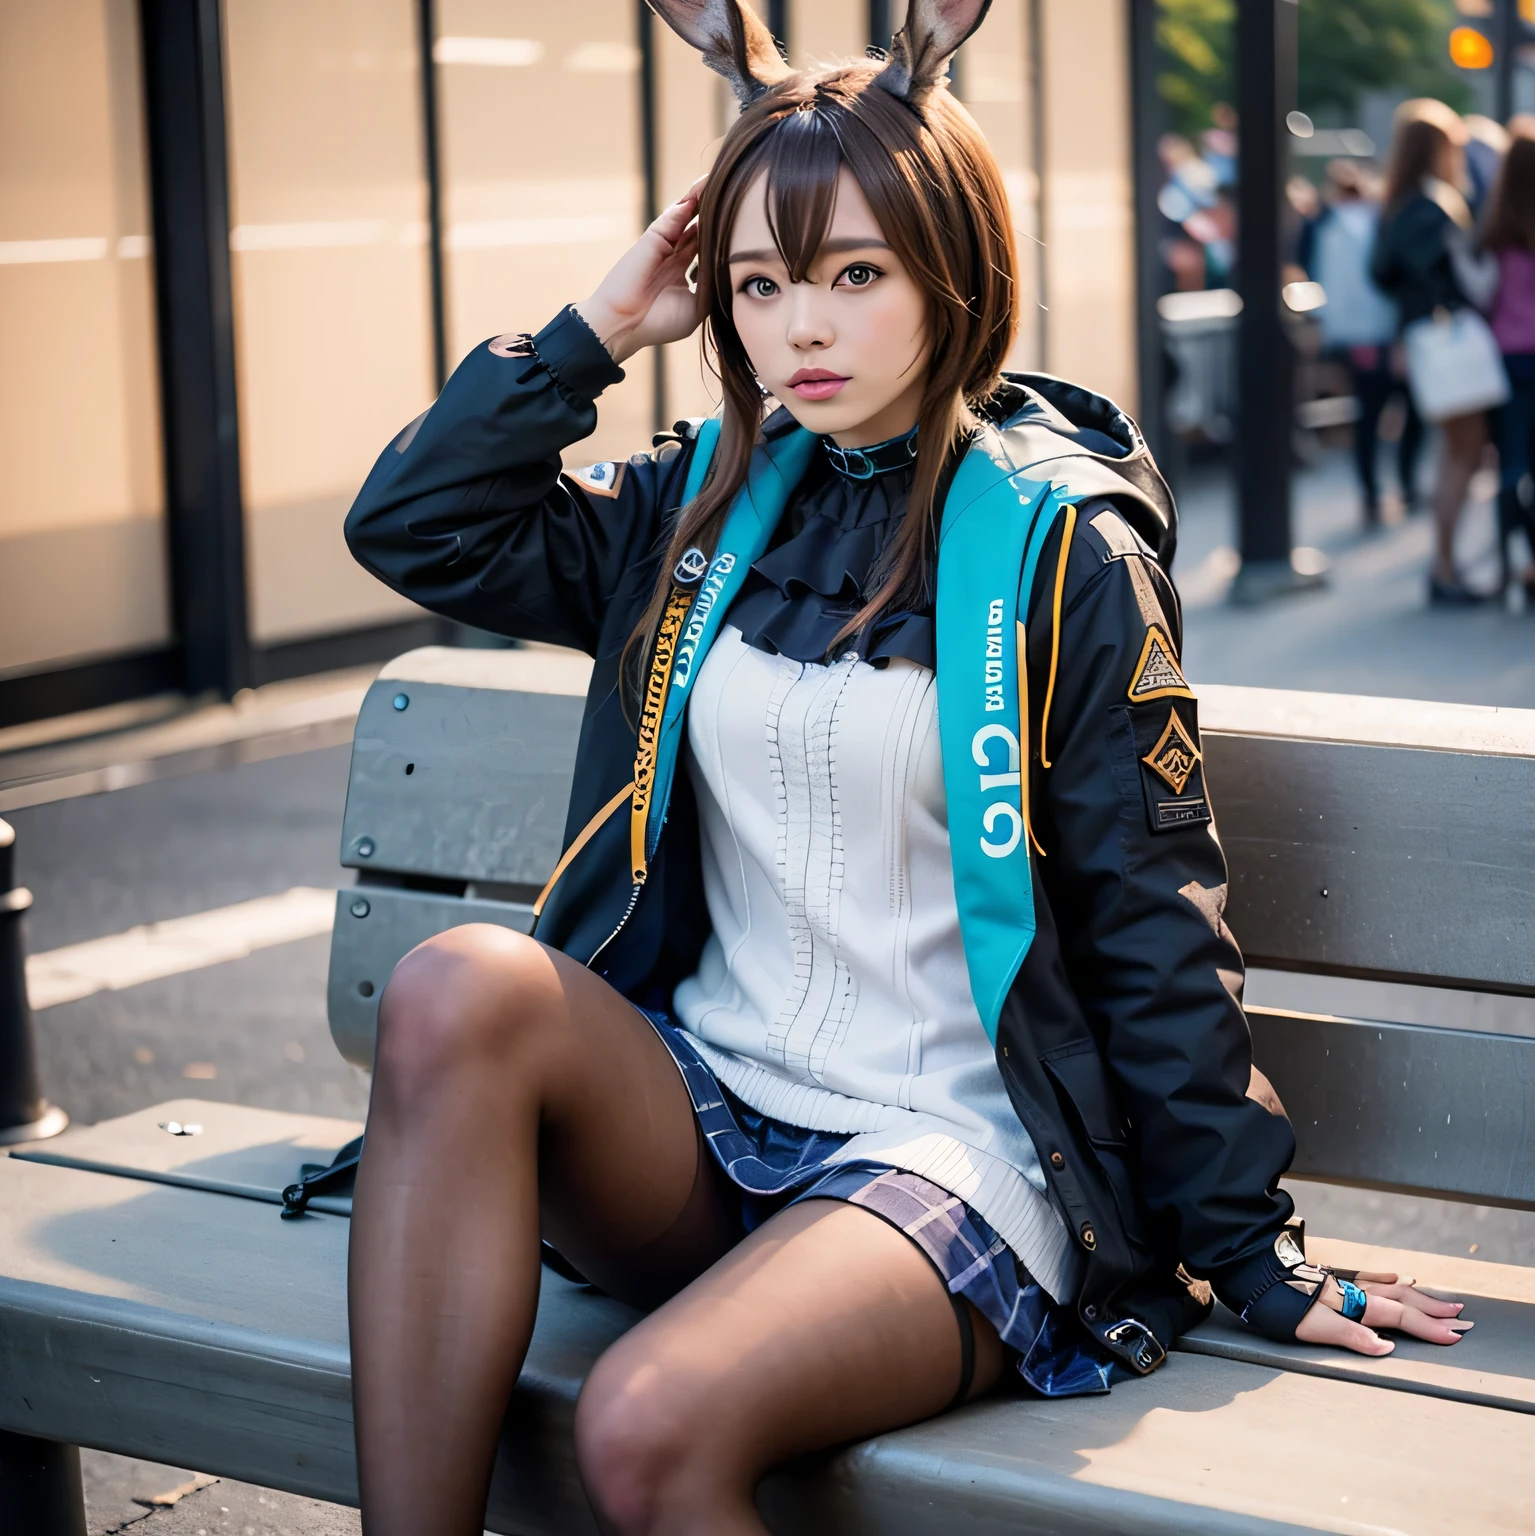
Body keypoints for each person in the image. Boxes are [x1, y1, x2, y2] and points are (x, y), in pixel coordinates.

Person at [342, 5, 1470, 1532]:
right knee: (455, 987)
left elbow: (1151, 912)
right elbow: (417, 528)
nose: (800, 327)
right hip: (710, 1112)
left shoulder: (1056, 550)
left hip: (955, 1151)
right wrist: (598, 328)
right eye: (759, 283)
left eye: (853, 274)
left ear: (955, 272)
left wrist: (1250, 1251)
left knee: (644, 1426)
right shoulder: (699, 510)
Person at [1372, 98, 1496, 604]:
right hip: (1447, 336)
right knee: (1461, 455)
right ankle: (1445, 567)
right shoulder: (1433, 204)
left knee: (1457, 453)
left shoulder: (1400, 204)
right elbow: (1454, 277)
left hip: (1424, 335)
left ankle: (1447, 565)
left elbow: (1381, 273)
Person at [1304, 159, 1423, 526]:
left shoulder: (1332, 228)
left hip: (1363, 333)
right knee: (1405, 414)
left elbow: (1334, 285)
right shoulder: (1376, 221)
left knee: (1369, 417)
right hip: (1387, 330)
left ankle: (1373, 491)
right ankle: (1403, 484)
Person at [1480, 115, 1535, 595]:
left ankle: (1503, 562)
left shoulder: (1495, 231)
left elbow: (1485, 295)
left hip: (1505, 355)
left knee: (1509, 464)